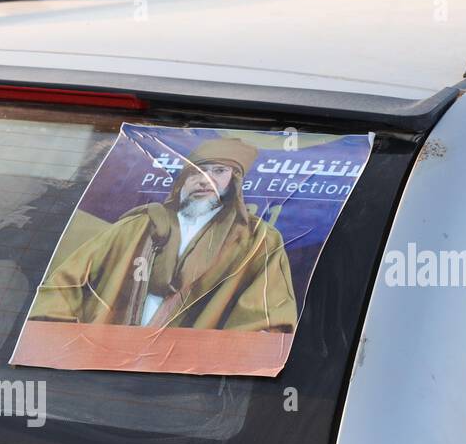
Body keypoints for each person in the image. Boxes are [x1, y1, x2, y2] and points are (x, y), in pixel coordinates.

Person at [28, 136, 297, 332]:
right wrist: (57, 332)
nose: (205, 179)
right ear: (183, 181)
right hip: (97, 365)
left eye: (218, 171)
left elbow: (267, 317)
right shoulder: (138, 225)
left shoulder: (258, 239)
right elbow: (65, 284)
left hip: (183, 388)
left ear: (234, 182)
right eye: (196, 172)